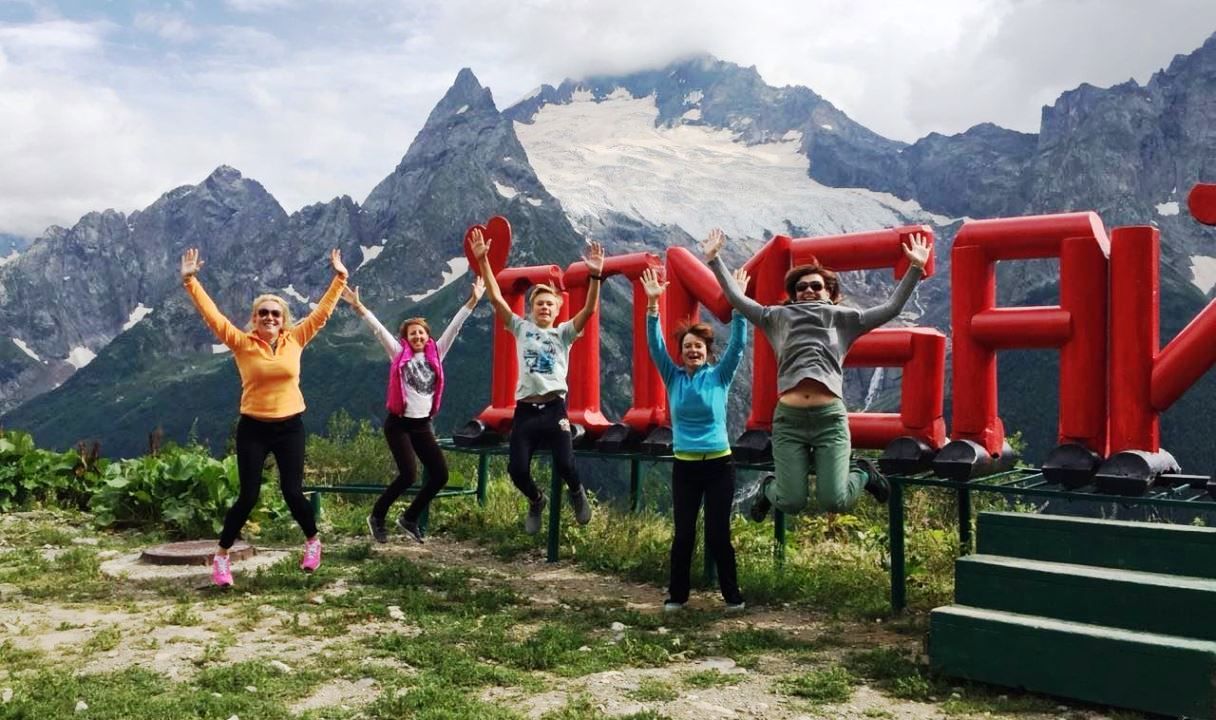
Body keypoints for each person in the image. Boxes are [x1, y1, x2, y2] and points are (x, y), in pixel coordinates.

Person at [703, 227, 931, 520]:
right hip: (789, 421)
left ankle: (862, 472)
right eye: (801, 287)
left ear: (830, 292)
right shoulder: (776, 318)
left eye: (816, 286)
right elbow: (738, 299)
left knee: (835, 500)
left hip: (829, 420)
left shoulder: (845, 320)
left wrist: (915, 266)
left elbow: (892, 307)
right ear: (794, 294)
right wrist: (714, 260)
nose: (808, 290)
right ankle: (768, 488)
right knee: (791, 502)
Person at [180, 247, 348, 588]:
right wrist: (190, 280)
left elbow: (323, 313)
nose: (270, 318)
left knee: (292, 491)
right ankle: (221, 557)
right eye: (263, 314)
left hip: (290, 428)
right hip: (254, 428)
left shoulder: (297, 339)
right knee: (248, 496)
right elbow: (212, 316)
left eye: (275, 313)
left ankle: (313, 542)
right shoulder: (242, 343)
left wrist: (340, 278)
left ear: (283, 319)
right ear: (254, 319)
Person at [469, 227, 602, 534]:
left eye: (549, 304)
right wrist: (483, 261)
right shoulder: (520, 329)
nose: (544, 307)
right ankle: (536, 499)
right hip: (526, 412)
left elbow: (590, 309)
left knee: (566, 464)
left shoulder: (564, 333)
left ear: (557, 310)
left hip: (555, 409)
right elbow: (495, 297)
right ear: (530, 310)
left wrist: (594, 276)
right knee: (516, 470)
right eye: (538, 303)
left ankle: (577, 492)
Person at [341, 277, 484, 543]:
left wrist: (473, 301)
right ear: (405, 338)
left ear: (428, 336)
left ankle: (409, 517)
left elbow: (455, 327)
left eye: (421, 333)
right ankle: (377, 516)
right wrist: (359, 307)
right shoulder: (398, 354)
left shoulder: (436, 354)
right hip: (398, 424)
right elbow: (378, 330)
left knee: (440, 475)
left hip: (422, 425)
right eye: (412, 333)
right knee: (408, 474)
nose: (418, 336)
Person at [641, 266, 750, 612]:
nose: (693, 351)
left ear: (706, 351)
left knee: (719, 534)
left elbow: (739, 344)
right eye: (688, 346)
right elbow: (655, 344)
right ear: (681, 351)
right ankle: (677, 596)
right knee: (684, 534)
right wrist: (653, 306)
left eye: (698, 346)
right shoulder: (672, 377)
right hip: (685, 467)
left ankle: (732, 596)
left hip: (719, 465)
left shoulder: (720, 376)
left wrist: (738, 302)